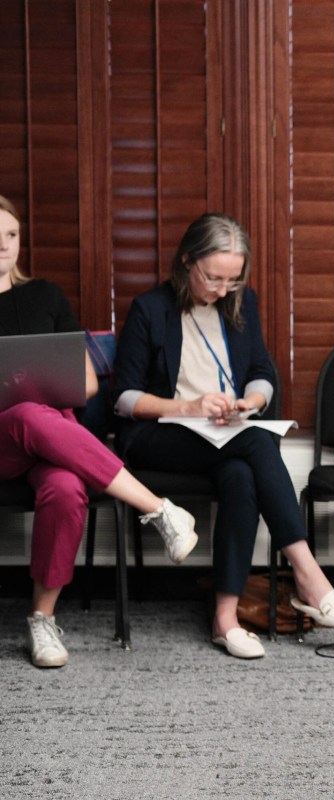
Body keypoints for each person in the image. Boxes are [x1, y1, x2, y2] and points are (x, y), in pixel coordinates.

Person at [111, 212, 334, 660]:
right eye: (212, 278)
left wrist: (250, 403)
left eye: (232, 279)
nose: (222, 290)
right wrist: (187, 407)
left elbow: (263, 373)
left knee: (242, 475)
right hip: (158, 435)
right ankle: (308, 574)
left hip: (222, 435)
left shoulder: (241, 305)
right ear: (187, 260)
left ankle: (225, 619)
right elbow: (124, 398)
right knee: (255, 442)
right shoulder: (150, 309)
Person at [0, 194, 198, 669]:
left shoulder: (45, 295)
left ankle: (42, 620)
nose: (4, 245)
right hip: (5, 440)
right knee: (27, 415)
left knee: (68, 489)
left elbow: (87, 383)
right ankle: (159, 510)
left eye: (10, 234)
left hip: (53, 437)